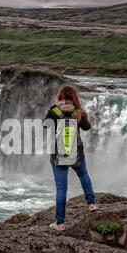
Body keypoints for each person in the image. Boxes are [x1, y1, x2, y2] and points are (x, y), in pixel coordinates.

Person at [42, 86, 98, 231]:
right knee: (83, 175)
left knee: (61, 188)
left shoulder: (54, 111)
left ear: (60, 97)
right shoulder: (78, 111)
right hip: (76, 153)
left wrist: (54, 108)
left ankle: (60, 223)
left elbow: (44, 125)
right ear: (74, 98)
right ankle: (91, 204)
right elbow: (87, 127)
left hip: (58, 154)